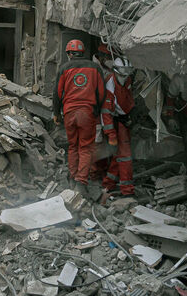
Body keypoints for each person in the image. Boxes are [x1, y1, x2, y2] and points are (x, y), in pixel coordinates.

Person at [53, 39, 109, 194]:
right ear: (83, 52)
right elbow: (101, 92)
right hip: (87, 113)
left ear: (69, 53)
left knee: (72, 146)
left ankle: (72, 176)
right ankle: (81, 182)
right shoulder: (95, 68)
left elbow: (57, 93)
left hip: (69, 112)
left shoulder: (64, 68)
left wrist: (56, 113)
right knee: (85, 147)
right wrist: (96, 110)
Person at [102, 58, 136, 197]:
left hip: (123, 118)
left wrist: (129, 115)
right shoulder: (109, 84)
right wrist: (111, 134)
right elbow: (106, 113)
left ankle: (107, 184)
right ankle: (127, 191)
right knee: (125, 156)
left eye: (128, 72)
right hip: (114, 121)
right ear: (116, 71)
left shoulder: (127, 80)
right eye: (123, 72)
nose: (126, 75)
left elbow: (127, 98)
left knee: (119, 156)